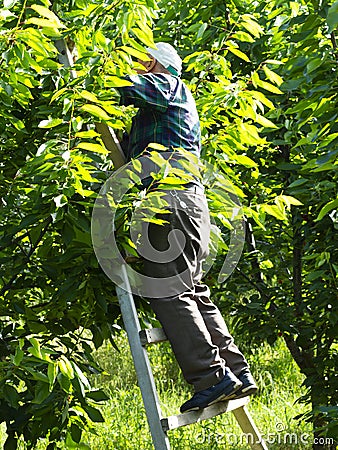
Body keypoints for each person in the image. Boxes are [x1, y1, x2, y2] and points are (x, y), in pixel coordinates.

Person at [116, 42, 257, 413]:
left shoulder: (168, 87)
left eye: (142, 63)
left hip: (170, 202)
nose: (138, 68)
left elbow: (122, 85)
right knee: (193, 289)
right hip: (189, 203)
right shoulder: (165, 109)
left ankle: (211, 377)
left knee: (168, 292)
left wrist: (89, 77)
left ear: (154, 65)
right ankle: (238, 371)